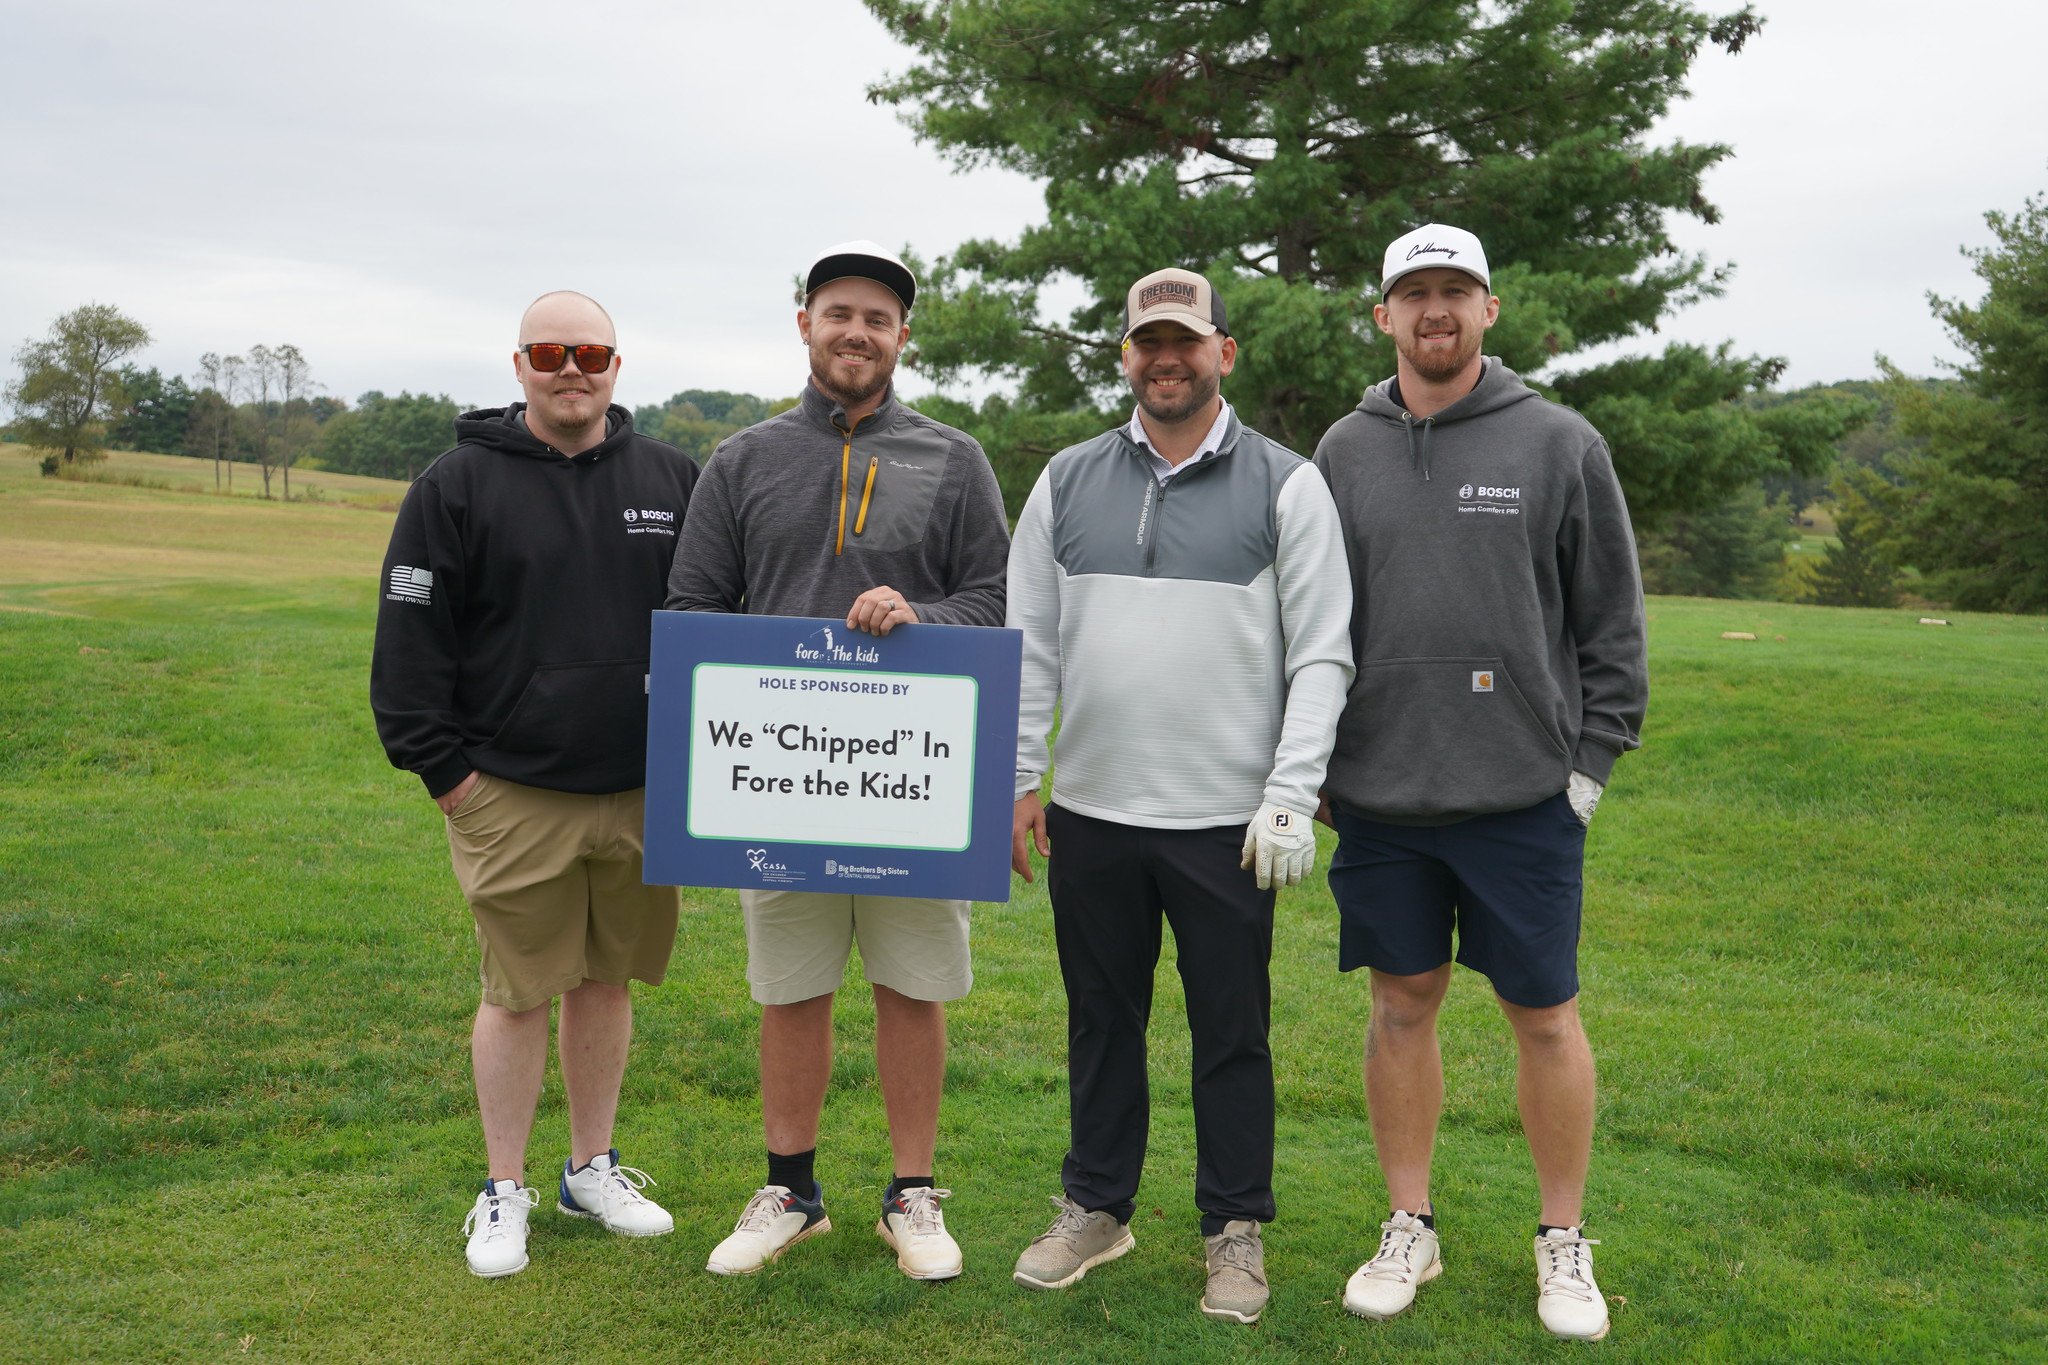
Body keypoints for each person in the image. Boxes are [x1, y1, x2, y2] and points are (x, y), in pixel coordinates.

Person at [1311, 224, 1649, 1341]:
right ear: (1383, 316)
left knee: (1542, 1017)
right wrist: (1306, 764)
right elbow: (1307, 623)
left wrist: (1590, 762)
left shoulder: (1557, 442)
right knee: (1399, 1004)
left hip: (1519, 796)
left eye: (1453, 290)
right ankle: (1408, 1220)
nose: (1433, 310)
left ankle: (1561, 1240)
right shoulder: (1341, 451)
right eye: (1412, 293)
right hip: (1379, 792)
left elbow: (1609, 622)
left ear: (1488, 310)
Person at [1005, 268, 1354, 1324]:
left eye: (1185, 342)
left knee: (1230, 1032)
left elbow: (1323, 656)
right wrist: (1025, 779)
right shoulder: (1065, 482)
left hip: (1226, 822)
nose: (1166, 359)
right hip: (1095, 811)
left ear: (1222, 354)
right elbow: (1031, 648)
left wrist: (1290, 792)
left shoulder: (1285, 484)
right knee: (1100, 1021)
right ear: (1124, 356)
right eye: (1147, 342)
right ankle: (1096, 1208)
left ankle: (1233, 1230)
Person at [664, 241, 1010, 1281]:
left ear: (903, 336)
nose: (856, 331)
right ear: (804, 322)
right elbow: (691, 610)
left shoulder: (954, 459)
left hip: (911, 780)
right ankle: (791, 1189)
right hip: (782, 780)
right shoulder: (742, 458)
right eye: (837, 312)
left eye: (878, 317)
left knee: (911, 986)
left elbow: (993, 603)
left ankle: (912, 1194)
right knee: (792, 987)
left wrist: (923, 613)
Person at [370, 291, 701, 1278]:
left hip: (642, 789)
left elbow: (719, 620)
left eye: (590, 352)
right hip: (510, 789)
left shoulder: (672, 478)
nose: (573, 368)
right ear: (519, 365)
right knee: (518, 990)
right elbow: (410, 643)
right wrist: (447, 776)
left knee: (606, 981)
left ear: (615, 364)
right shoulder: (457, 483)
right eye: (551, 352)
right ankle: (502, 1188)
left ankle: (589, 1167)